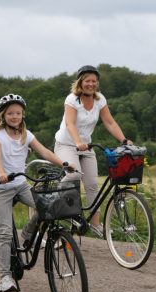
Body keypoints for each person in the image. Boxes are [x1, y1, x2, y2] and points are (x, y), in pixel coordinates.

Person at [0, 93, 74, 292]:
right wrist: (1, 173)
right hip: (2, 188)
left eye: (18, 113)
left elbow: (44, 152)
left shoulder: (27, 135)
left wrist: (64, 163)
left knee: (48, 207)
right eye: (10, 113)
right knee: (4, 232)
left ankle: (27, 233)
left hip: (20, 185)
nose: (14, 116)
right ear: (3, 115)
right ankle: (5, 277)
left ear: (23, 115)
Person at [54, 65, 132, 236]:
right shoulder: (72, 100)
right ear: (80, 82)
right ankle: (55, 201)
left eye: (94, 81)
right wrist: (77, 142)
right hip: (67, 144)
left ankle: (95, 225)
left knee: (92, 184)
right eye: (87, 80)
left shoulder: (99, 100)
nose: (91, 84)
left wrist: (124, 140)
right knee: (74, 174)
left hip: (86, 146)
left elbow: (109, 122)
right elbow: (70, 124)